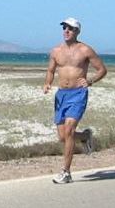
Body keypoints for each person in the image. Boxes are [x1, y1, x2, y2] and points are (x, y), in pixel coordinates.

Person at [42, 16, 107, 184]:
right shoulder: (56, 51)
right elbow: (50, 70)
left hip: (78, 94)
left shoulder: (85, 50)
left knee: (69, 129)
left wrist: (90, 81)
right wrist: (48, 83)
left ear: (77, 31)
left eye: (70, 28)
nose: (66, 31)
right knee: (63, 137)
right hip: (61, 95)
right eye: (64, 27)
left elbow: (102, 69)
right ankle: (85, 136)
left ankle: (66, 172)